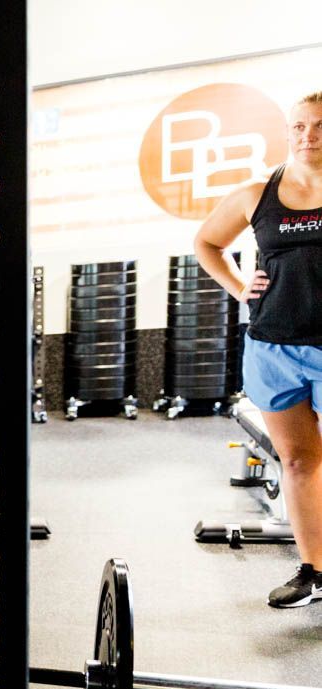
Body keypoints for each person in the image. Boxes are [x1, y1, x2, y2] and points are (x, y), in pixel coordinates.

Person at [195, 91, 322, 608]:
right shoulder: (257, 193)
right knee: (297, 463)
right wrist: (238, 285)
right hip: (273, 347)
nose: (307, 136)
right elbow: (207, 242)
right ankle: (314, 571)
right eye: (298, 127)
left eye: (318, 126)